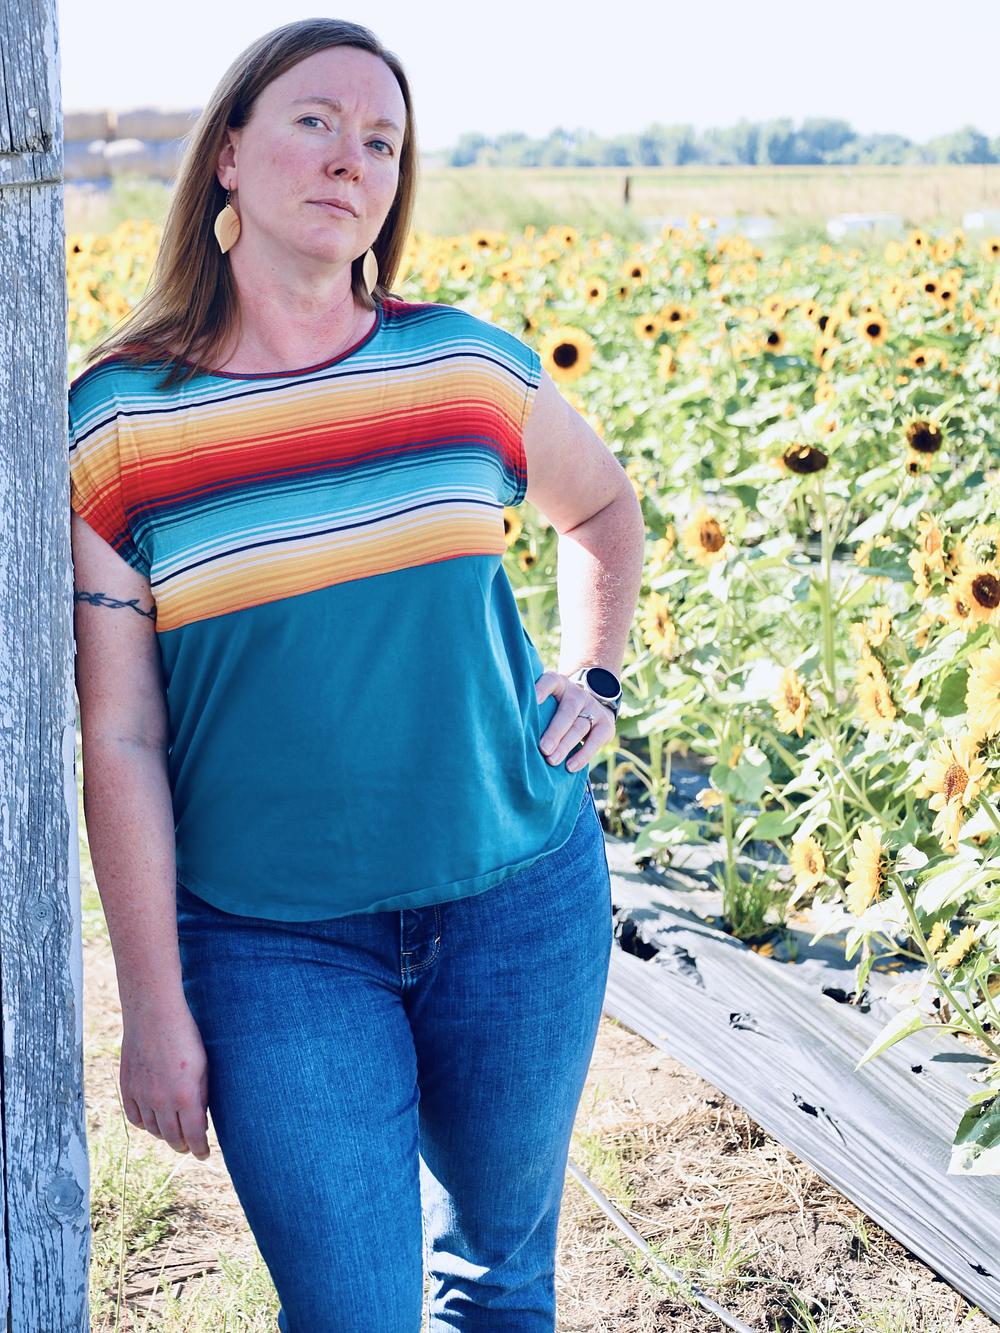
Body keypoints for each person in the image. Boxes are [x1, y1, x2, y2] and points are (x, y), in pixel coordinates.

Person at [68, 18, 645, 1332]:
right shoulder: (118, 422)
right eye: (316, 122)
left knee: (498, 1284)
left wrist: (595, 677)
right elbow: (121, 737)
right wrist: (150, 1004)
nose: (351, 159)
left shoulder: (464, 370)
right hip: (273, 943)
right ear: (227, 154)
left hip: (519, 905)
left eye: (381, 140)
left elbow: (605, 509)